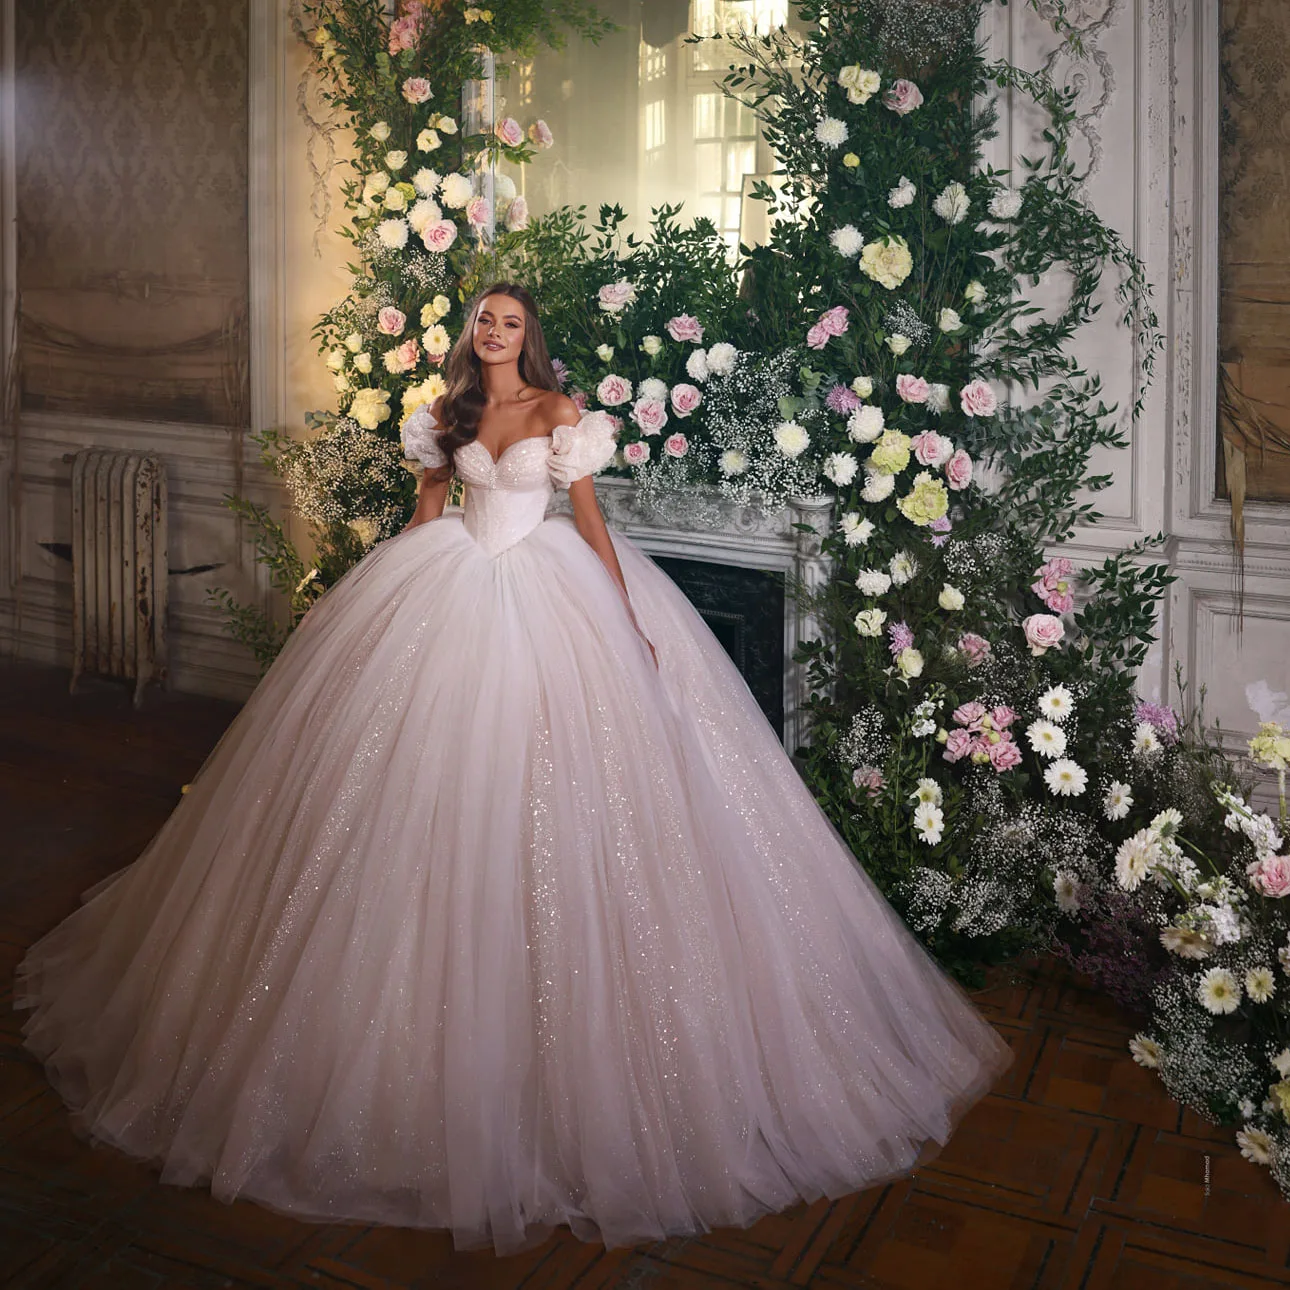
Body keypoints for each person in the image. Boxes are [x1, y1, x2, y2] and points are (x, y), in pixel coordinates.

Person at [15, 282, 1012, 1256]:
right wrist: (360, 603)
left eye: (512, 322)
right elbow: (425, 516)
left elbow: (589, 521)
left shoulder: (559, 413)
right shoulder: (443, 415)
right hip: (446, 584)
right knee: (407, 796)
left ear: (528, 340)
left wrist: (627, 622)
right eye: (485, 319)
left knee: (560, 795)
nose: (495, 332)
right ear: (471, 334)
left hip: (550, 594)